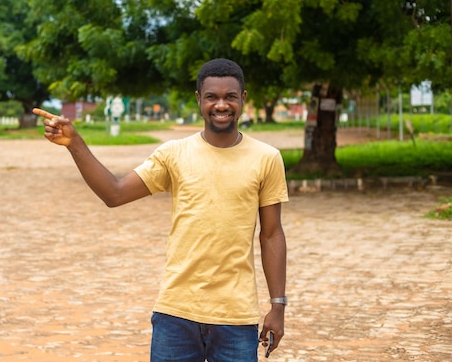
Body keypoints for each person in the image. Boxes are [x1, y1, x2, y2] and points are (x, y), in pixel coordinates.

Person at [33, 58, 288, 362]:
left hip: (235, 316)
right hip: (175, 313)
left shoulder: (267, 158)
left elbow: (271, 235)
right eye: (212, 97)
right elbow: (114, 194)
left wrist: (277, 306)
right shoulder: (173, 154)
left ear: (243, 99)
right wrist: (75, 143)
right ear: (199, 100)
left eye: (230, 96)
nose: (221, 105)